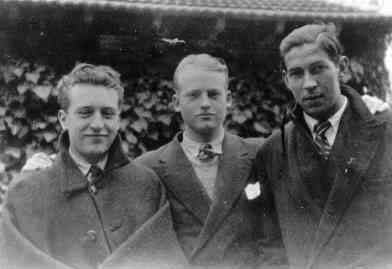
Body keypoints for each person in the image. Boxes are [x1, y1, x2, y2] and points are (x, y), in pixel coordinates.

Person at [0, 63, 186, 269]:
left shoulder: (147, 186)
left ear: (118, 119)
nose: (97, 124)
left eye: (107, 114)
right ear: (63, 119)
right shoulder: (26, 194)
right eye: (85, 113)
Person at [254, 23, 392, 269]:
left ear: (342, 67)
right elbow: (269, 242)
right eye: (297, 73)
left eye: (318, 69)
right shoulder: (273, 150)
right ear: (286, 79)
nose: (309, 84)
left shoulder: (386, 131)